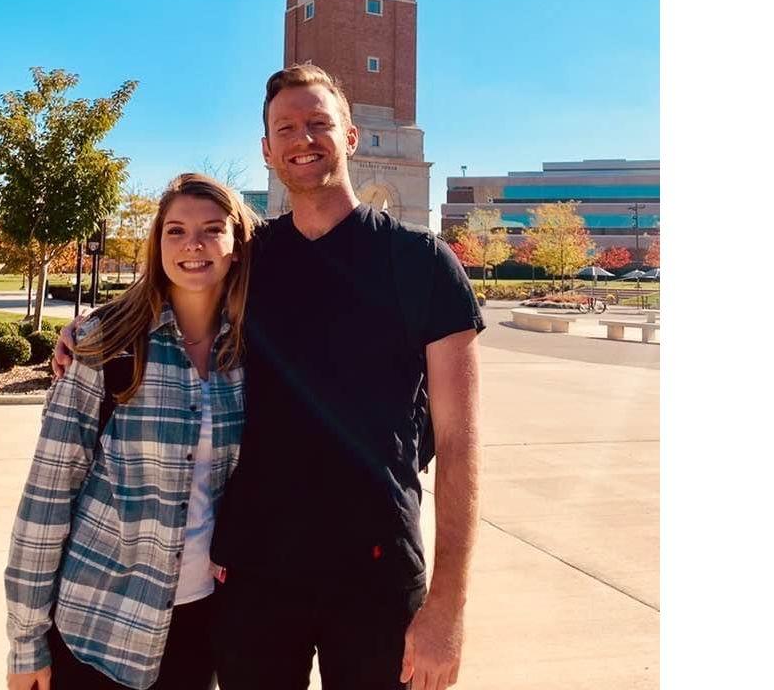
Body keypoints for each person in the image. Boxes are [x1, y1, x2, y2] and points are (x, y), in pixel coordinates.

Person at [52, 64, 484, 690]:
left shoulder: (422, 263)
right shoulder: (248, 261)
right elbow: (170, 292)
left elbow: (462, 444)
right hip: (255, 575)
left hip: (377, 573)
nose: (302, 139)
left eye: (318, 124)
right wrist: (89, 329)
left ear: (352, 136)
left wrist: (448, 606)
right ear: (266, 149)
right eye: (285, 128)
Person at [5, 173, 257, 690]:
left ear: (237, 246)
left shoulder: (250, 356)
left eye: (213, 229)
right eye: (176, 230)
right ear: (157, 243)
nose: (194, 244)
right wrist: (26, 641)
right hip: (99, 625)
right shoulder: (108, 343)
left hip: (201, 626)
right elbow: (47, 495)